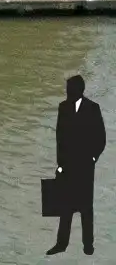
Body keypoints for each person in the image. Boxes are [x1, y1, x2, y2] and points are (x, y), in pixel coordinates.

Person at [53, 74, 105, 255]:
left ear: (78, 90)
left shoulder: (92, 108)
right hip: (67, 165)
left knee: (86, 207)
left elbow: (101, 137)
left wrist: (93, 158)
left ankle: (88, 245)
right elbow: (59, 138)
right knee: (65, 206)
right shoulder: (63, 107)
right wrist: (60, 164)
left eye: (69, 89)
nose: (67, 92)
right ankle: (61, 244)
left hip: (85, 166)